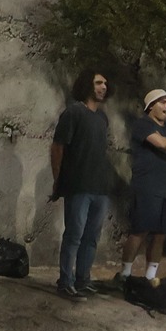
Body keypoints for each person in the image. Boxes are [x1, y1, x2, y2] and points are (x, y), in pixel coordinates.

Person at [49, 69, 118, 301]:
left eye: (105, 83)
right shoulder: (73, 112)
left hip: (100, 186)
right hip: (78, 184)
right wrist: (57, 179)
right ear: (87, 85)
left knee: (91, 237)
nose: (103, 87)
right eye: (98, 82)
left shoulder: (102, 118)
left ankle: (83, 280)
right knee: (75, 235)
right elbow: (58, 146)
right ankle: (65, 281)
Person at [119, 88, 166, 289]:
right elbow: (161, 144)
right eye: (162, 102)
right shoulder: (143, 124)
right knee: (140, 230)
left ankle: (151, 277)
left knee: (161, 234)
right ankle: (124, 274)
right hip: (147, 187)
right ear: (151, 107)